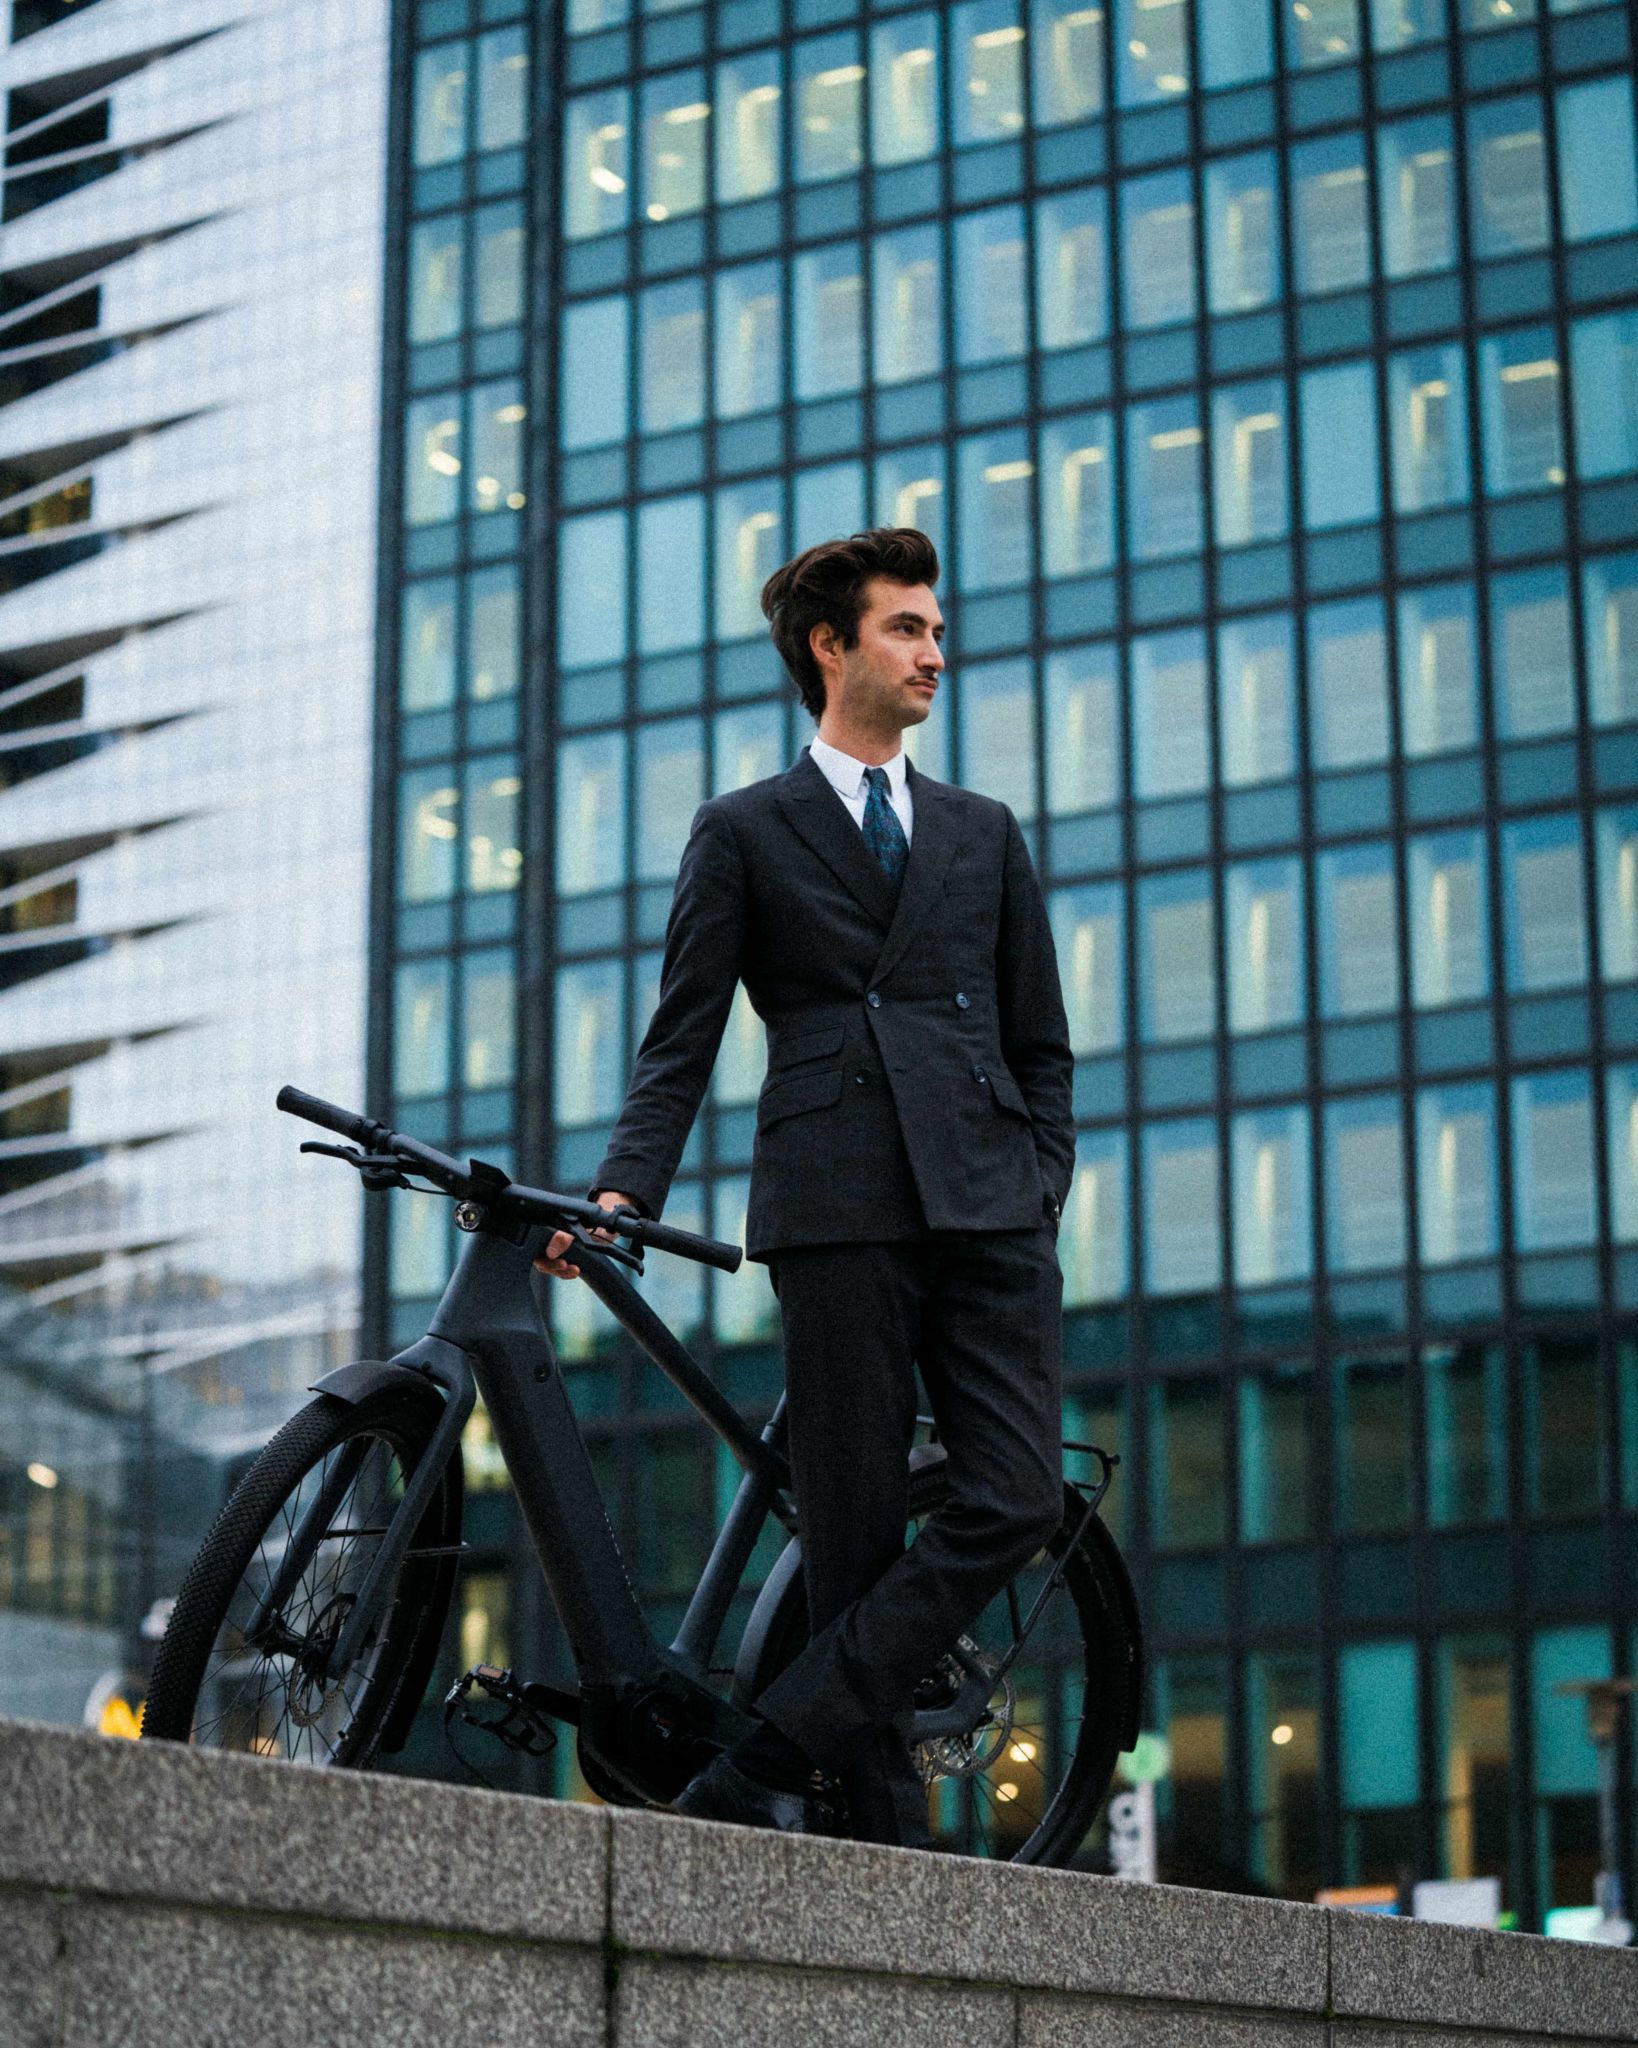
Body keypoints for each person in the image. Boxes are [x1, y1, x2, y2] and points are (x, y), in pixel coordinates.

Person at [535, 527, 1075, 1849]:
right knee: (848, 1543)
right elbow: (683, 1039)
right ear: (829, 648)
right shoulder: (742, 832)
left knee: (1012, 1495)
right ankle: (884, 1846)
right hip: (834, 1209)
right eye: (906, 629)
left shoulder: (981, 832)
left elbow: (1038, 1038)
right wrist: (621, 1193)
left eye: (937, 630)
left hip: (988, 1204)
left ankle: (773, 1741)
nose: (934, 652)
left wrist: (1037, 1179)